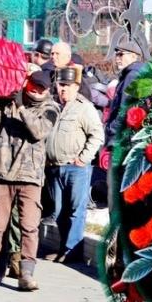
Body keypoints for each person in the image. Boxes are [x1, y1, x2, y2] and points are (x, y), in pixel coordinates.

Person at [0, 70, 59, 290]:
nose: (36, 91)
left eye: (41, 88)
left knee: (29, 225)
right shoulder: (11, 103)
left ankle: (26, 272)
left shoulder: (51, 108)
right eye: (34, 86)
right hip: (2, 172)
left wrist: (22, 108)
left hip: (30, 176)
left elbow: (38, 132)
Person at [46, 65, 104, 264]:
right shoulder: (53, 105)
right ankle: (63, 247)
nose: (63, 89)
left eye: (67, 86)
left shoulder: (83, 107)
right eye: (61, 85)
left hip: (76, 167)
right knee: (59, 210)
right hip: (54, 166)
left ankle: (72, 251)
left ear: (76, 87)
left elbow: (97, 135)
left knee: (75, 210)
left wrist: (83, 158)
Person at [101, 38, 145, 171]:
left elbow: (125, 110)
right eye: (116, 55)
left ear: (133, 56)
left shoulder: (132, 75)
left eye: (121, 54)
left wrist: (112, 131)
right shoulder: (132, 75)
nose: (117, 58)